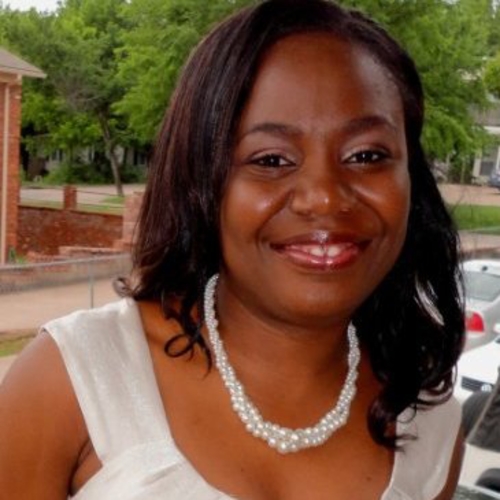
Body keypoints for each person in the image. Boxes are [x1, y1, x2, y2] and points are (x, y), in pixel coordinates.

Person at [0, 0, 465, 498]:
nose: (324, 197)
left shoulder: (430, 425)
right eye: (271, 160)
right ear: (201, 179)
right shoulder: (74, 381)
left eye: (367, 155)